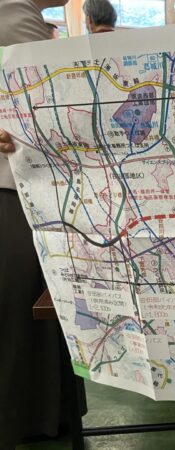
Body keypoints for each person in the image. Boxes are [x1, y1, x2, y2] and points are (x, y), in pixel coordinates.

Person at [0, 1, 73, 447]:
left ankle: (44, 415)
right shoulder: (12, 9)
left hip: (25, 183)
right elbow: (41, 94)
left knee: (37, 306)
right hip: (14, 186)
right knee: (26, 307)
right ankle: (31, 417)